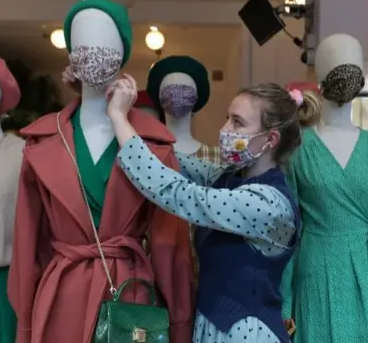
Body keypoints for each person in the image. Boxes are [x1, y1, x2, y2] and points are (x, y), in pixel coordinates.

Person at [104, 74, 313, 343]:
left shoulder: (268, 204)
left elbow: (175, 191)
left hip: (247, 333)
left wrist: (119, 117)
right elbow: (170, 162)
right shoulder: (229, 177)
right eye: (228, 118)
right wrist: (122, 120)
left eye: (238, 122)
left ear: (270, 139)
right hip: (214, 326)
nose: (225, 129)